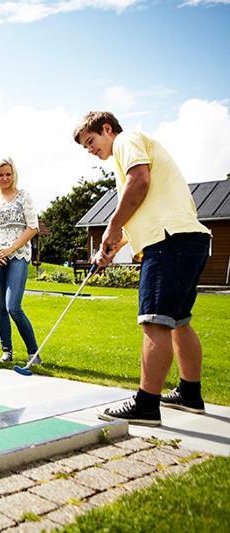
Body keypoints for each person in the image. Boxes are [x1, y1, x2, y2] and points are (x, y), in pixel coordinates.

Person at [75, 112, 211, 426]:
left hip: (168, 243)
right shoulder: (131, 147)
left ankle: (146, 405)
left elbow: (140, 181)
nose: (91, 150)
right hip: (185, 239)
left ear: (107, 129)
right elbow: (141, 208)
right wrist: (113, 246)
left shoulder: (126, 140)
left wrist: (111, 225)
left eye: (91, 142)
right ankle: (190, 394)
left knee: (155, 323)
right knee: (179, 321)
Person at [0, 157, 40, 365]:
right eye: (0, 175)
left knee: (14, 306)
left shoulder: (24, 197)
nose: (5, 178)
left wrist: (11, 248)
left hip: (18, 255)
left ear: (14, 175)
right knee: (0, 307)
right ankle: (6, 351)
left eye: (8, 174)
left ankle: (33, 353)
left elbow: (33, 227)